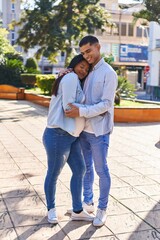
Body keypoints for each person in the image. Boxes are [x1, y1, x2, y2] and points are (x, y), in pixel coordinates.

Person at [65, 36, 118, 227]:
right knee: (85, 169)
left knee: (101, 170)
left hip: (99, 131)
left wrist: (82, 111)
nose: (86, 56)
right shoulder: (86, 71)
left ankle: (103, 209)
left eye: (89, 51)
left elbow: (106, 104)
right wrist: (66, 73)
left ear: (98, 47)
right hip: (82, 130)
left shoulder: (108, 73)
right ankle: (88, 203)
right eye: (83, 53)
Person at [42, 54, 94, 224]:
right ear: (74, 64)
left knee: (80, 170)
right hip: (58, 135)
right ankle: (51, 208)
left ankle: (78, 210)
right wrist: (93, 109)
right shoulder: (71, 77)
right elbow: (69, 108)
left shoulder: (72, 78)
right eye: (81, 66)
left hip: (72, 136)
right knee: (54, 173)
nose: (84, 70)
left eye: (87, 69)